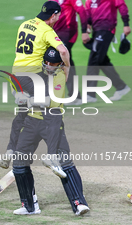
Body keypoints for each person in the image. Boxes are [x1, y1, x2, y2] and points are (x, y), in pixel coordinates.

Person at [12, 47, 90, 216]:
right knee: (19, 162)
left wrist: (27, 99)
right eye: (46, 62)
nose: (49, 65)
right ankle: (29, 206)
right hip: (32, 122)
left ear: (60, 63)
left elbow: (50, 102)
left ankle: (79, 203)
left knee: (64, 162)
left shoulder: (60, 75)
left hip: (52, 122)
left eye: (53, 63)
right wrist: (17, 93)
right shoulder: (34, 73)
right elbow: (16, 86)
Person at [0, 1, 70, 174]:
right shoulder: (47, 31)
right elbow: (63, 51)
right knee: (51, 110)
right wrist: (67, 66)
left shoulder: (25, 24)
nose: (58, 19)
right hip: (32, 77)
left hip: (15, 76)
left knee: (22, 112)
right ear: (53, 15)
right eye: (58, 16)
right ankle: (51, 156)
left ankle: (10, 150)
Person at [85, 0, 131, 102]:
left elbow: (121, 4)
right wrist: (87, 24)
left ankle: (90, 95)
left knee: (94, 59)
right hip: (96, 28)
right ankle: (121, 87)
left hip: (107, 26)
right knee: (101, 59)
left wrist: (126, 24)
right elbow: (89, 9)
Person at [48, 0, 89, 105]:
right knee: (65, 63)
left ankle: (73, 96)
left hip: (68, 32)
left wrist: (85, 31)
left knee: (59, 60)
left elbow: (81, 11)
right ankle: (75, 96)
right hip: (55, 34)